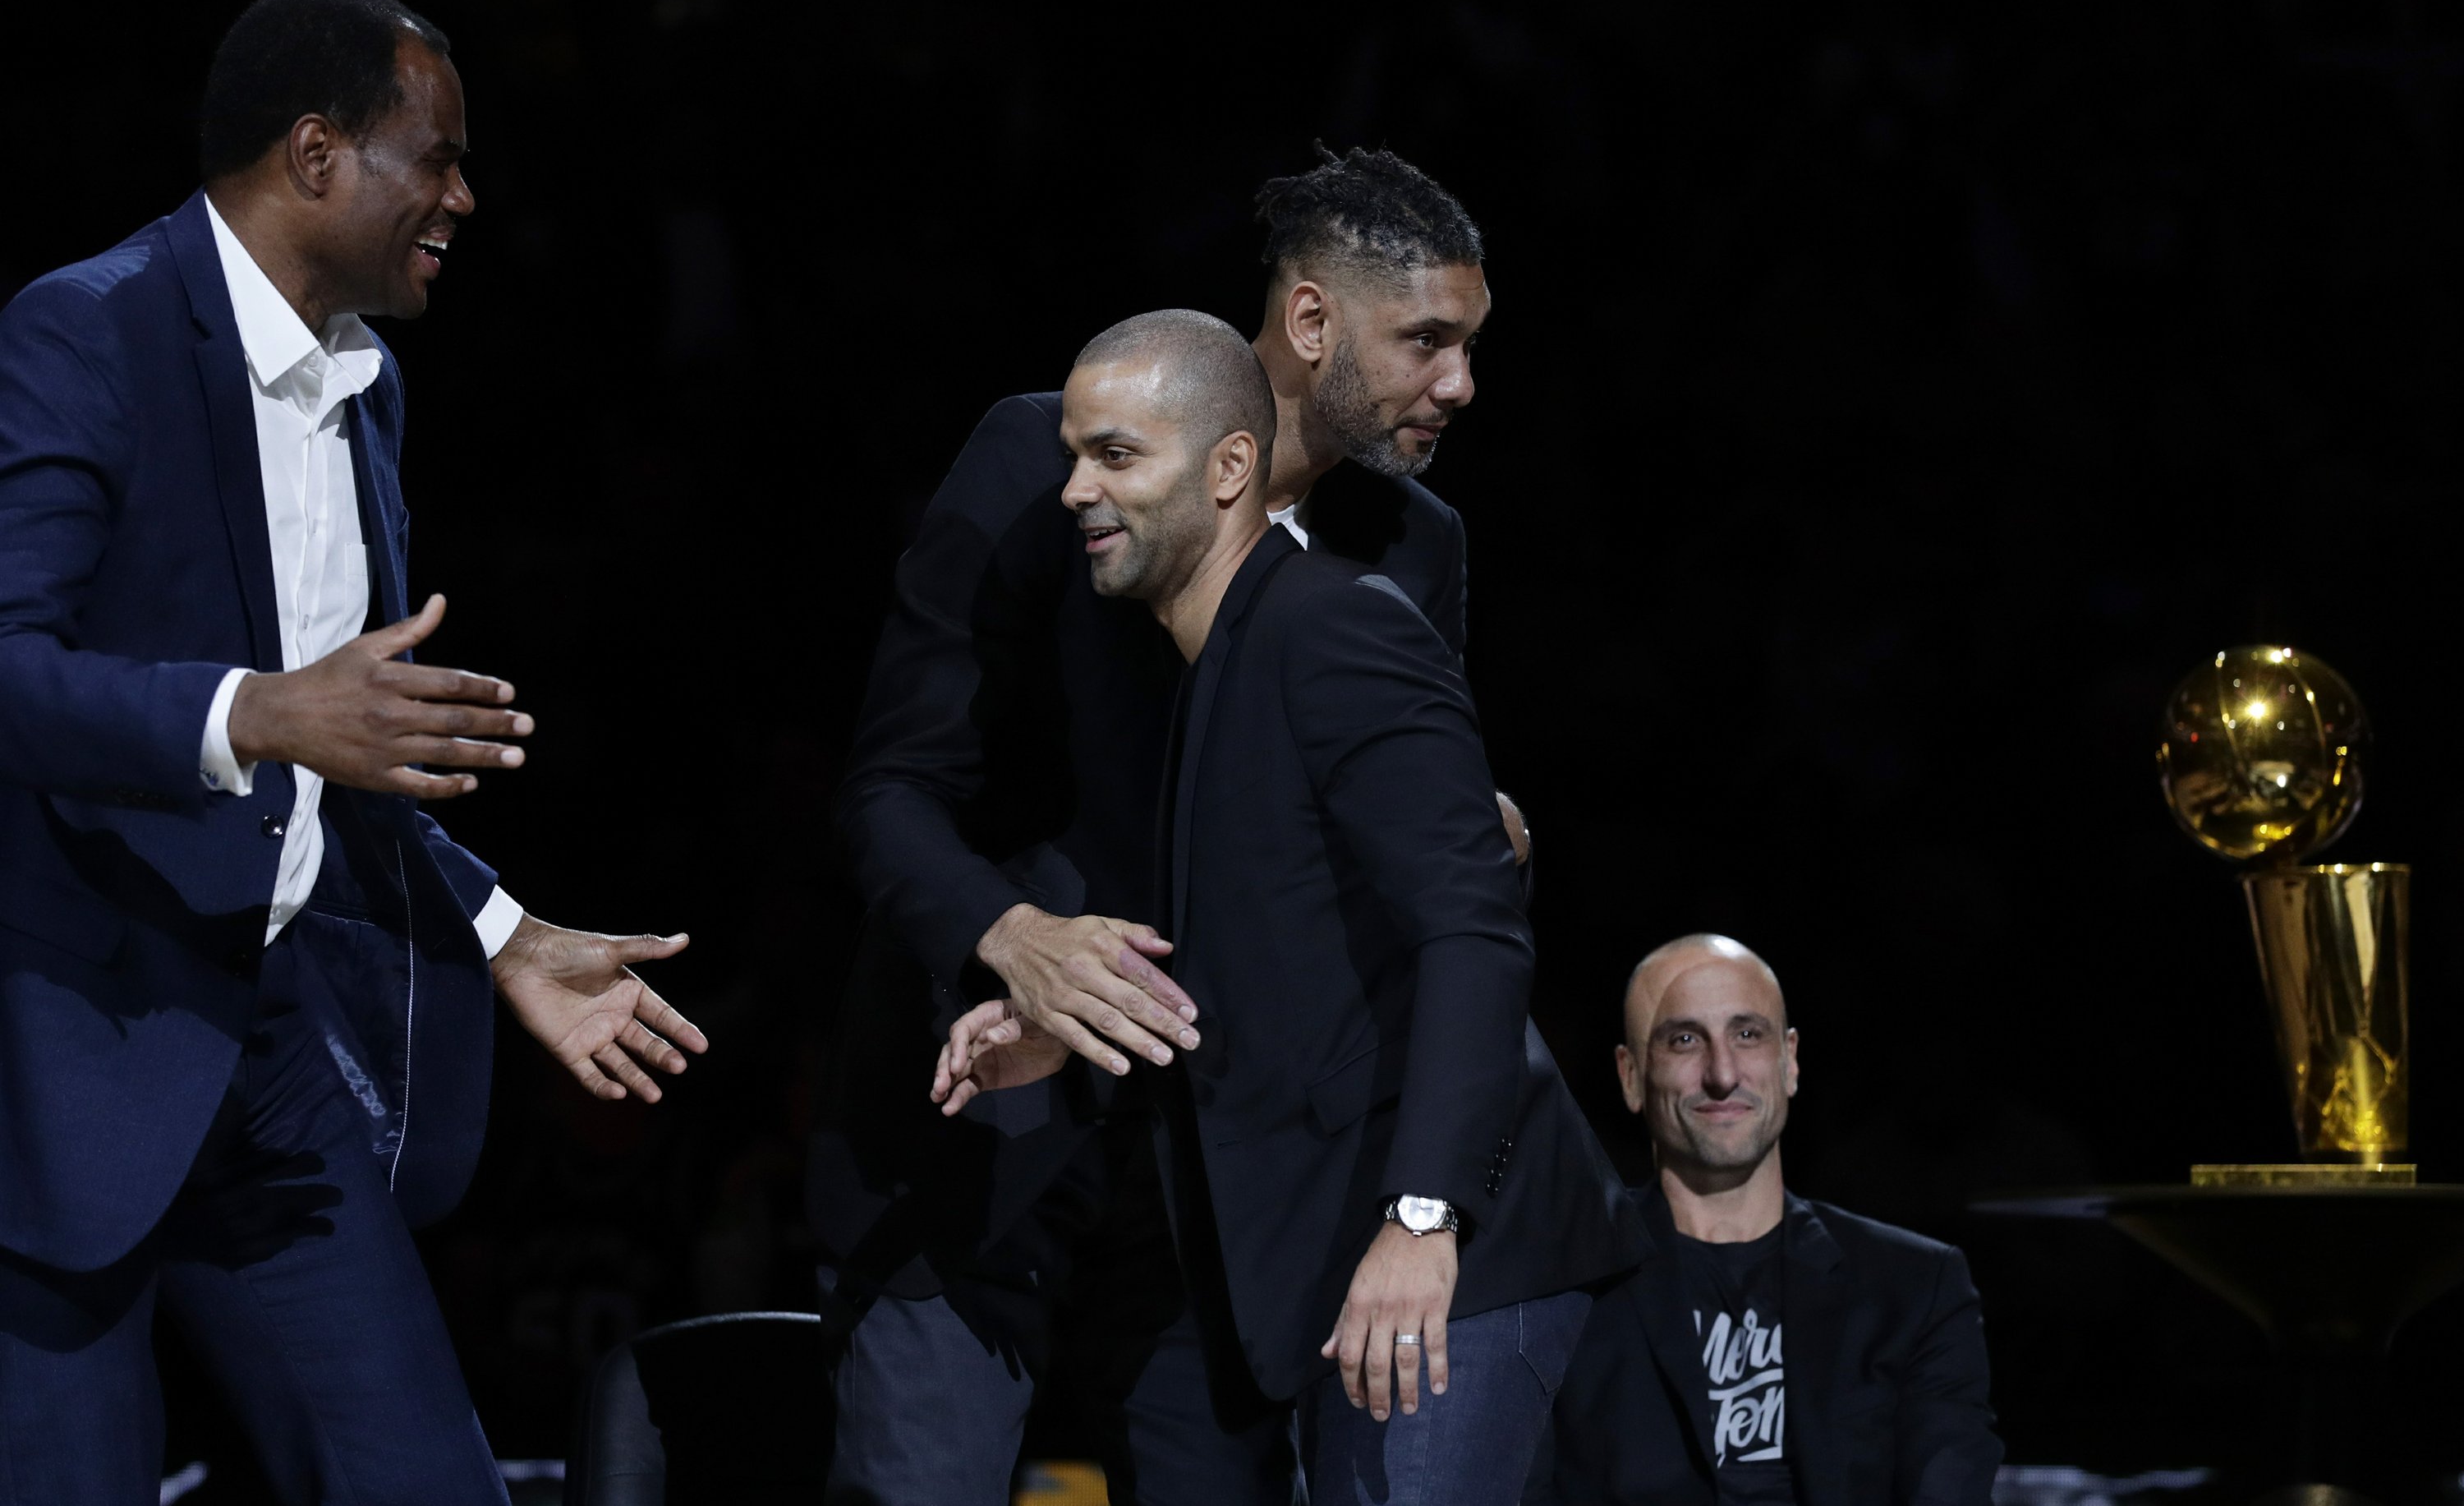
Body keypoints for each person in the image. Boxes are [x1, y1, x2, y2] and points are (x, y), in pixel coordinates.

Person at [0, 0, 704, 1504]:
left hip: (261, 1053)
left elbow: (339, 758)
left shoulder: (367, 389)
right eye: (434, 158)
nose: (464, 197)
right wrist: (254, 709)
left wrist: (504, 933)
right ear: (315, 155)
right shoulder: (89, 328)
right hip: (54, 1053)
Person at [813, 147, 1504, 1502]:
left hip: (1230, 1175)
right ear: (1311, 324)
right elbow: (891, 789)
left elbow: (1402, 866)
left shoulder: (1416, 547)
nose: (1460, 384)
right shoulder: (1051, 456)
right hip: (983, 1121)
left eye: (1469, 345)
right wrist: (1014, 936)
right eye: (1428, 340)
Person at [935, 309, 1637, 1505]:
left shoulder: (1334, 623)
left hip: (1453, 1261)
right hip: (1338, 1258)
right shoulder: (1221, 664)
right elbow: (1279, 968)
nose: (1070, 492)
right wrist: (1072, 1036)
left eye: (1114, 456)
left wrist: (1424, 1218)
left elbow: (1474, 929)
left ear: (1228, 470)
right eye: (1070, 455)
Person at [1539, 936, 2002, 1506]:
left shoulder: (1914, 1286)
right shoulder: (1564, 1282)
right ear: (1631, 1075)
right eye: (1684, 1040)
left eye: (1747, 1034)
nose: (1722, 1073)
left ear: (1790, 1061)